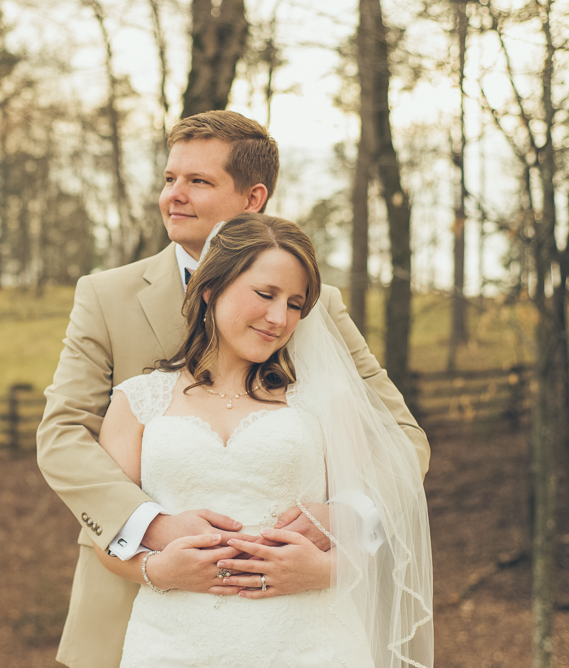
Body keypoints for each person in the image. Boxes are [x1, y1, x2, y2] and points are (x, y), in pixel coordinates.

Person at [36, 110, 430, 668]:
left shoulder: (313, 306)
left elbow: (401, 438)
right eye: (170, 178)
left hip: (300, 621)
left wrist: (347, 517)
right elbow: (62, 436)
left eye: (198, 181)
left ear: (253, 198)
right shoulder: (106, 295)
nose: (174, 195)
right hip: (142, 606)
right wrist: (152, 526)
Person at [93, 213, 433, 667]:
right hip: (172, 645)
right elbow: (106, 537)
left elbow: (378, 518)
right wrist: (159, 569)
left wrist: (331, 569)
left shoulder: (324, 400)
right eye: (265, 294)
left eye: (295, 304)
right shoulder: (137, 401)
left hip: (312, 645)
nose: (279, 318)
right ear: (211, 288)